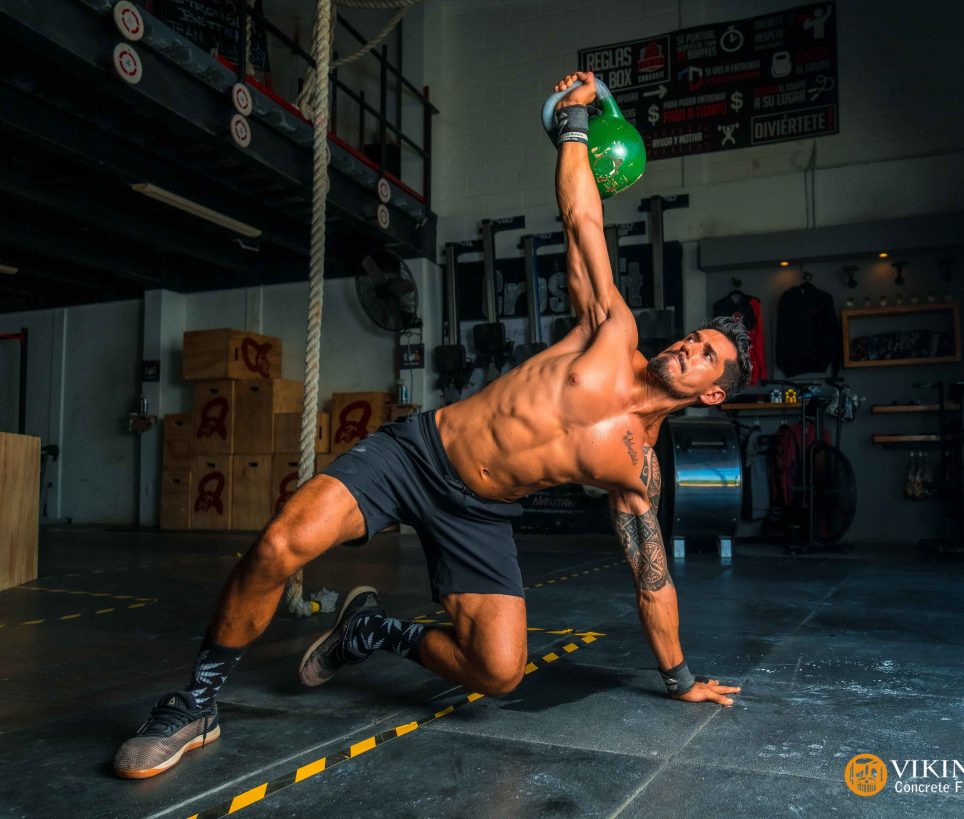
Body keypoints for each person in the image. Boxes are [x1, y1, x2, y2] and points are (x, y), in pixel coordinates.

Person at [113, 70, 750, 780]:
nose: (688, 347)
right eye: (694, 337)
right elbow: (582, 218)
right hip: (417, 453)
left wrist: (680, 677)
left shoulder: (639, 468)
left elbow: (651, 578)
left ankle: (374, 628)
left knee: (501, 670)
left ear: (713, 393)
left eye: (705, 356)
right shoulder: (611, 330)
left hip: (478, 515)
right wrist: (574, 121)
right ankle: (196, 701)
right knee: (279, 542)